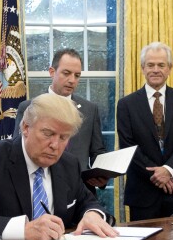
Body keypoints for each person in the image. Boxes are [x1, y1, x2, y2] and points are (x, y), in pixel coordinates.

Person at [0, 93, 117, 240]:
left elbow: (87, 202)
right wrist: (23, 230)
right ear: (26, 127)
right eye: (48, 134)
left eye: (64, 137)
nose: (55, 145)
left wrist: (93, 214)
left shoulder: (68, 164)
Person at [117, 42, 173, 221]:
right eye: (150, 65)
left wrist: (169, 170)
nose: (155, 69)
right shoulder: (126, 105)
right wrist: (158, 175)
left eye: (161, 65)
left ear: (169, 68)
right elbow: (128, 146)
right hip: (143, 192)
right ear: (142, 68)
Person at [13, 48, 108, 190]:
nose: (72, 80)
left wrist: (102, 175)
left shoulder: (90, 109)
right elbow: (17, 148)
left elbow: (97, 151)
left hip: (80, 190)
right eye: (66, 73)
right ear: (52, 72)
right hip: (39, 187)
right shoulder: (29, 107)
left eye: (77, 75)